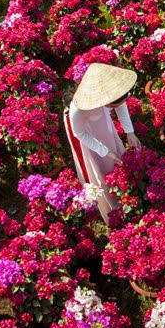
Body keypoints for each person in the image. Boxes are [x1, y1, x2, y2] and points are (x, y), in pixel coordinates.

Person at [63, 63, 141, 221]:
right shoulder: (78, 109)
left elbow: (121, 105)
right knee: (99, 165)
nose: (117, 106)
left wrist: (130, 132)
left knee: (114, 148)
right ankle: (110, 202)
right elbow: (80, 134)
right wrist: (104, 151)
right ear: (104, 102)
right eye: (113, 105)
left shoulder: (109, 92)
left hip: (102, 125)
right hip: (86, 133)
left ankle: (124, 186)